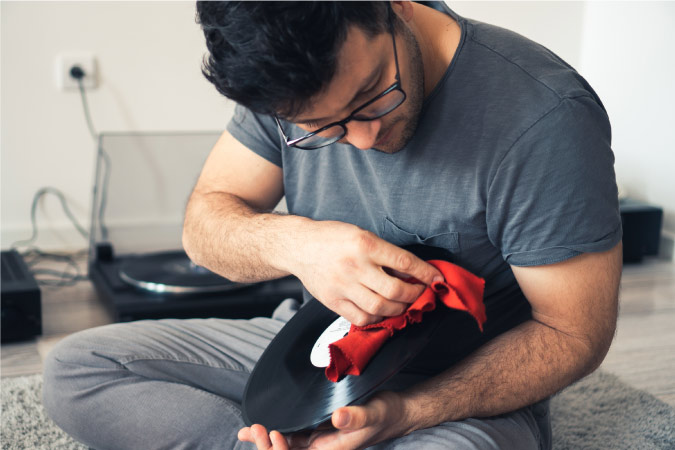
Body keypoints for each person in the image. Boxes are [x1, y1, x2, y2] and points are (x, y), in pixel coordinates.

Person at [42, 2, 623, 449]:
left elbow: (574, 335)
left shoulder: (545, 119)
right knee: (77, 371)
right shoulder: (289, 83)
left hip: (461, 386)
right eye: (321, 127)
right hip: (310, 360)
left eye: (373, 96)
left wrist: (408, 412)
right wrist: (296, 243)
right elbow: (204, 223)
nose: (366, 139)